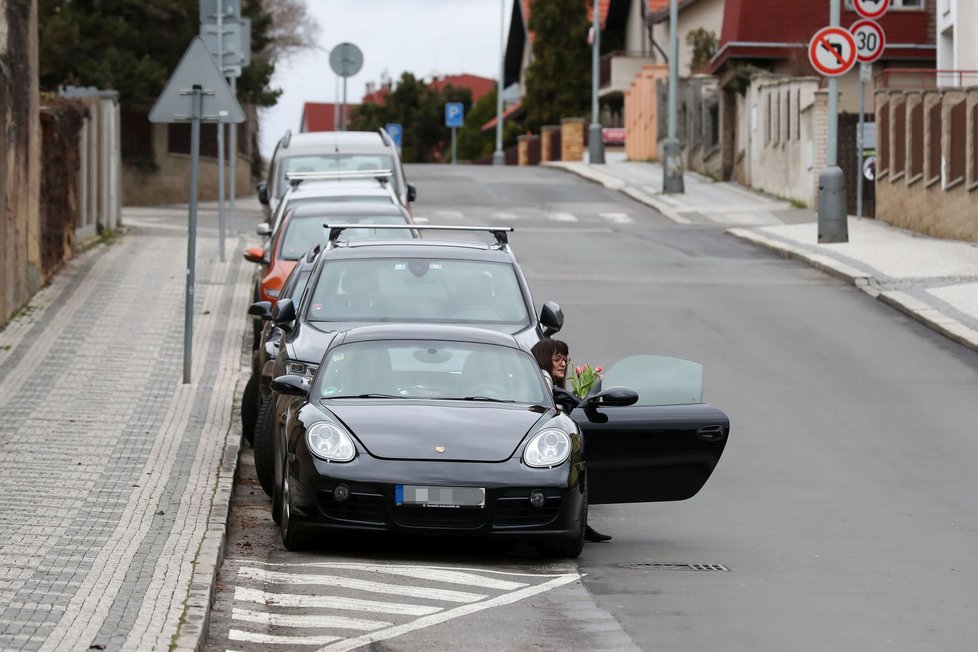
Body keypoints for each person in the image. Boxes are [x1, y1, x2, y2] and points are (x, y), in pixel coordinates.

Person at [530, 339, 612, 543]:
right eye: (556, 359)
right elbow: (561, 397)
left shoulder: (547, 383)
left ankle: (579, 522)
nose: (563, 364)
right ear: (543, 360)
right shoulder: (543, 380)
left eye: (565, 359)